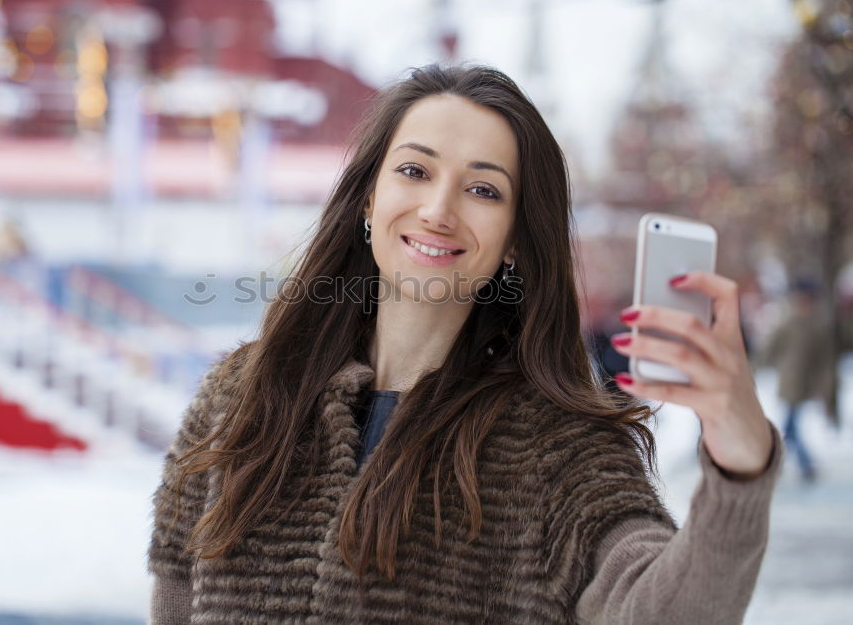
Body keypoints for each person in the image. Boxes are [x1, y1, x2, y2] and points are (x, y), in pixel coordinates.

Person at [147, 64, 780, 624]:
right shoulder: (241, 399)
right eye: (415, 171)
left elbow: (661, 612)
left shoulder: (559, 445)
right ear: (371, 196)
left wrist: (741, 456)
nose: (438, 210)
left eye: (483, 189)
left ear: (512, 238)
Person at [756, 276, 832, 482]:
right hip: (789, 382)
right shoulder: (788, 321)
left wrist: (826, 391)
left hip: (804, 384)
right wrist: (756, 364)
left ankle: (787, 464)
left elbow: (824, 362)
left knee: (790, 427)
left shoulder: (818, 325)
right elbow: (770, 347)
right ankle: (797, 464)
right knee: (790, 426)